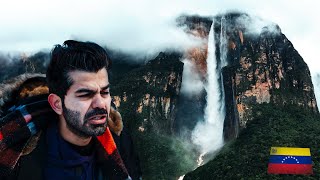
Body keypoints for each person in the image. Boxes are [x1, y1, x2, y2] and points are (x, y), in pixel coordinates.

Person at [0, 40, 138, 179]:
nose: (100, 104)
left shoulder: (119, 144)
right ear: (57, 104)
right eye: (85, 95)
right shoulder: (17, 153)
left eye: (104, 92)